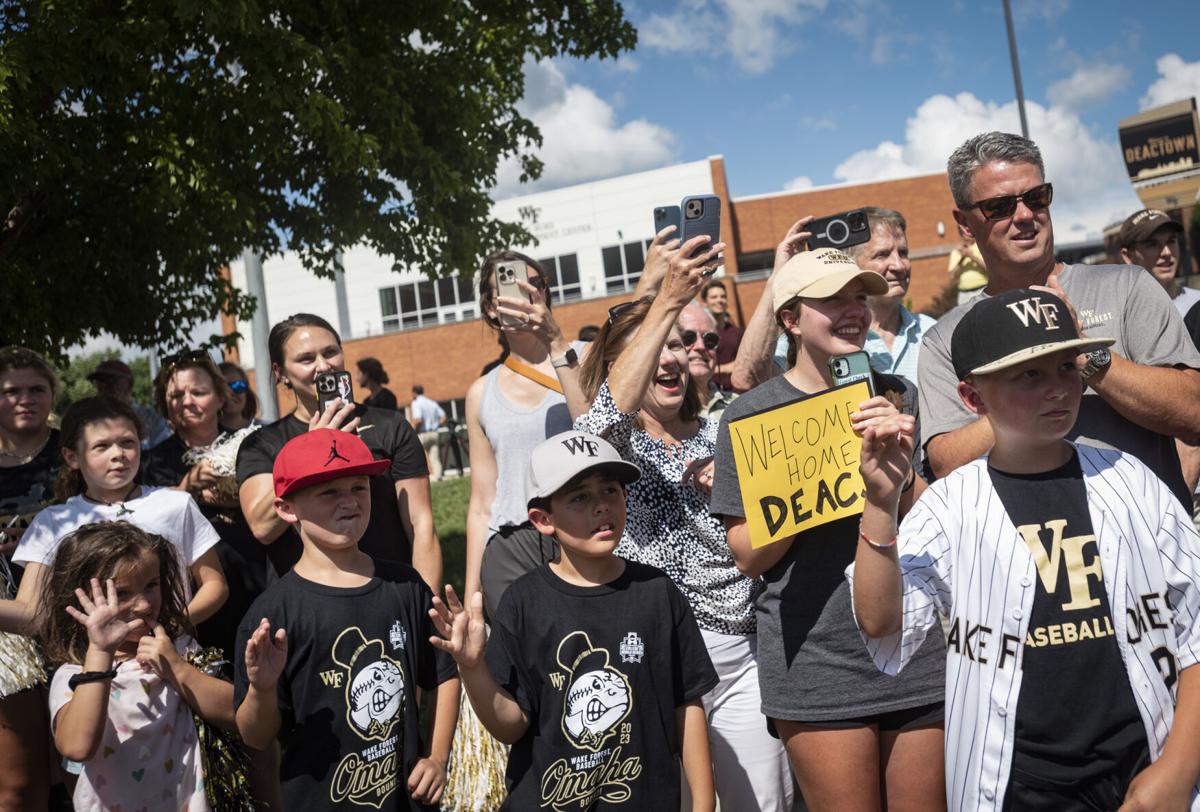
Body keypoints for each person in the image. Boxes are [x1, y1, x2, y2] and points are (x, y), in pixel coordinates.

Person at [852, 288, 1200, 811]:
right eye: (1029, 375)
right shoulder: (952, 505)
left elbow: (1194, 631)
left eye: (1066, 367)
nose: (1058, 389)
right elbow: (883, 623)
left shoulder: (1130, 479)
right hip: (1015, 783)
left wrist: (1177, 770)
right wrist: (880, 505)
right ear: (972, 398)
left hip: (1142, 769)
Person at [711, 246, 946, 812]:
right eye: (832, 299)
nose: (853, 310)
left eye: (859, 297)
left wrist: (898, 466)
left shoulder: (895, 395)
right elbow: (748, 556)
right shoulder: (751, 414)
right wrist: (805, 475)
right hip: (815, 660)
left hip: (912, 645)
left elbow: (929, 519)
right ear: (790, 319)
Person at [573, 236, 796, 811]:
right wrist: (665, 301)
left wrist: (739, 476)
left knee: (762, 802)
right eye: (658, 348)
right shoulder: (608, 451)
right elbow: (597, 428)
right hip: (655, 656)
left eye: (679, 346)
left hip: (742, 651)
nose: (672, 358)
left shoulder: (721, 429)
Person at [430, 430, 719, 810]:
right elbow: (510, 724)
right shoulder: (522, 603)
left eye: (610, 490)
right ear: (543, 519)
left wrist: (702, 801)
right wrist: (471, 669)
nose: (601, 506)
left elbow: (687, 703)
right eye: (580, 497)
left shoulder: (657, 592)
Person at [919, 131, 1200, 509]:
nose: (1023, 216)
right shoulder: (946, 337)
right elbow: (946, 464)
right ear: (965, 223)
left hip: (1148, 544)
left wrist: (1084, 354)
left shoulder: (1128, 286)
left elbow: (1193, 410)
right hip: (1030, 554)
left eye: (1036, 198)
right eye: (999, 206)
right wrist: (1023, 398)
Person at [234, 428, 460, 810]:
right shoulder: (272, 616)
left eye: (359, 487)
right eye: (328, 492)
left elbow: (444, 674)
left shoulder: (404, 585)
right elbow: (255, 736)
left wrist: (437, 757)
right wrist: (262, 688)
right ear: (287, 508)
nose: (349, 501)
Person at [41, 522, 240, 812]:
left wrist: (177, 668)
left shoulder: (179, 650)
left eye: (151, 585)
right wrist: (100, 651)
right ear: (80, 598)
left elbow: (237, 712)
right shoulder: (74, 675)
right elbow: (77, 747)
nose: (145, 604)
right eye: (121, 594)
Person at [235, 313, 442, 588]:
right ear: (280, 372)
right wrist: (312, 450)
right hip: (306, 606)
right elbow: (263, 528)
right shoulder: (262, 444)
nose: (323, 366)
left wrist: (427, 604)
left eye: (330, 352)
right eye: (306, 359)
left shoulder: (391, 427)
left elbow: (421, 525)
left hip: (390, 591)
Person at [9, 396, 228, 629]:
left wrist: (170, 626)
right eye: (101, 446)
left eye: (127, 443)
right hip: (90, 661)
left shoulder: (175, 503)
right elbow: (31, 613)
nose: (118, 454)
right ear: (72, 457)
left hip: (171, 655)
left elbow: (215, 584)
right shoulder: (52, 522)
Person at [464, 251, 583, 617]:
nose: (525, 293)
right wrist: (472, 594)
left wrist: (556, 340)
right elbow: (483, 500)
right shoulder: (481, 393)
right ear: (490, 307)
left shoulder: (586, 356)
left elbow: (601, 430)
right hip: (512, 548)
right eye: (509, 286)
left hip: (584, 531)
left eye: (536, 284)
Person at [141, 352, 269, 662]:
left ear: (220, 396)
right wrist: (187, 488)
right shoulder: (153, 461)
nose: (187, 401)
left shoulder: (252, 443)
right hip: (198, 595)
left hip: (260, 576)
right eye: (176, 394)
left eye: (198, 392)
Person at [0, 346, 56, 812]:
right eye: (11, 390)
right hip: (8, 635)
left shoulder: (77, 449)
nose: (24, 399)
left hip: (72, 617)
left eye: (36, 389)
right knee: (21, 781)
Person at [856, 207, 935, 383]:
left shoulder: (932, 334)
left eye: (903, 253)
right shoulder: (834, 340)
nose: (899, 266)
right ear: (853, 264)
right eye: (882, 255)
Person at [88, 358, 172, 450]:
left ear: (129, 385)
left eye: (113, 381)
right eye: (100, 382)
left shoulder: (151, 418)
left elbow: (164, 454)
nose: (105, 387)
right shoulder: (90, 422)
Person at [678, 301, 735, 419]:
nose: (701, 346)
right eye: (688, 338)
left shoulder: (738, 406)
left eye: (710, 339)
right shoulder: (660, 414)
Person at [703, 279, 743, 391]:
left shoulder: (737, 332)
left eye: (723, 296)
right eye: (714, 297)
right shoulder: (701, 334)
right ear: (705, 302)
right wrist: (727, 368)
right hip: (711, 392)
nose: (719, 300)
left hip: (737, 392)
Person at [409, 385, 446, 480]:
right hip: (434, 433)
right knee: (435, 458)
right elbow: (443, 417)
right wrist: (437, 424)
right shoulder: (432, 403)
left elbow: (418, 420)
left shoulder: (416, 403)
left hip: (422, 434)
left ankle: (421, 479)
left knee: (418, 458)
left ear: (414, 393)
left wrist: (412, 432)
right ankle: (438, 477)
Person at [218, 361, 263, 430]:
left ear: (247, 393)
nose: (230, 393)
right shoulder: (203, 436)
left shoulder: (265, 431)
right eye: (224, 388)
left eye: (238, 386)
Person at [948, 238, 988, 305]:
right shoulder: (957, 251)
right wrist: (962, 258)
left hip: (981, 289)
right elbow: (952, 275)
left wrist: (971, 256)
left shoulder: (981, 246)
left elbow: (987, 268)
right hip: (964, 293)